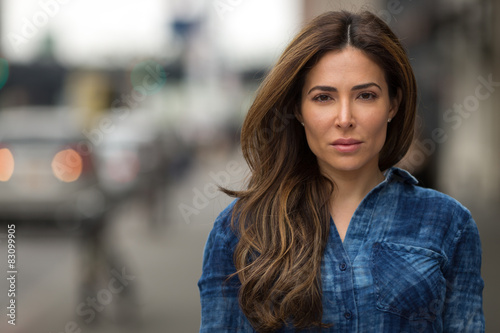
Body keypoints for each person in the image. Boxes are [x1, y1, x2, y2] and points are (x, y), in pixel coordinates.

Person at [198, 10, 484, 333]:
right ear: (298, 109)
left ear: (393, 104)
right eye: (323, 97)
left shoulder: (449, 224)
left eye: (365, 95)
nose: (345, 118)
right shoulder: (237, 232)